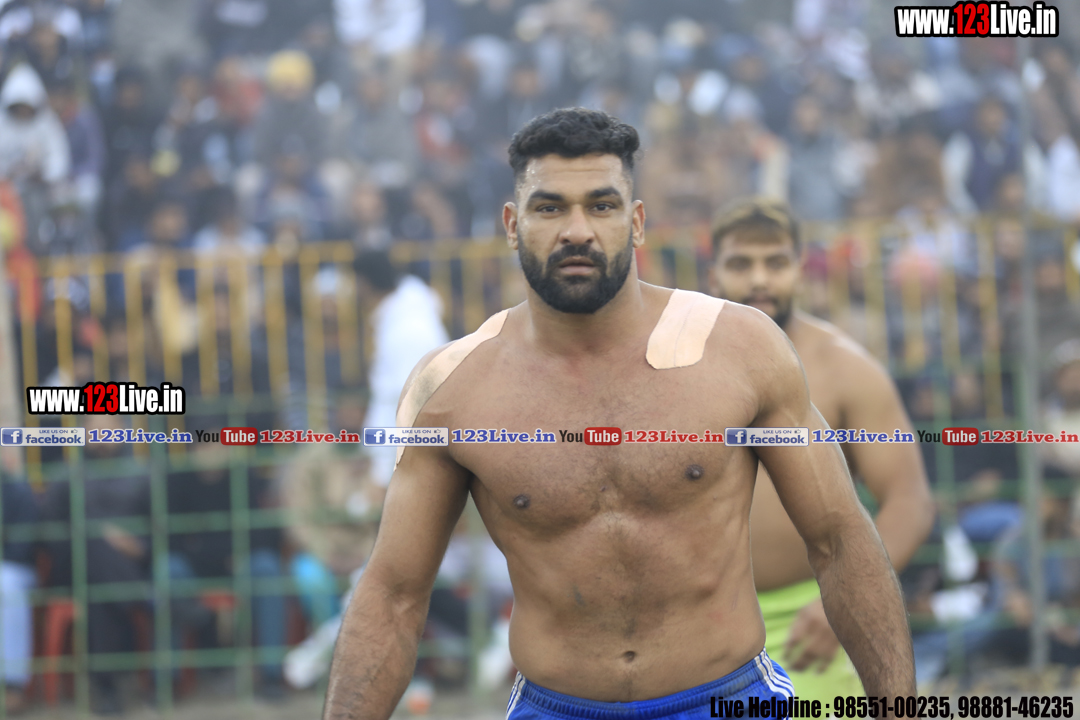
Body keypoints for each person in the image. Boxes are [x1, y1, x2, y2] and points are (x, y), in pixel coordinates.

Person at [323, 108, 917, 720]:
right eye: (549, 208)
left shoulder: (741, 349)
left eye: (601, 206)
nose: (577, 230)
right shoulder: (453, 387)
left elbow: (840, 539)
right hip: (554, 708)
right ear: (512, 225)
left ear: (635, 223)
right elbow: (393, 595)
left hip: (728, 700)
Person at [708, 198, 935, 702]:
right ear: (714, 272)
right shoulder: (679, 363)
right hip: (703, 623)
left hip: (814, 624)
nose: (759, 279)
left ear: (800, 270)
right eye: (741, 263)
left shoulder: (845, 368)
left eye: (776, 262)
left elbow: (910, 502)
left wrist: (848, 605)